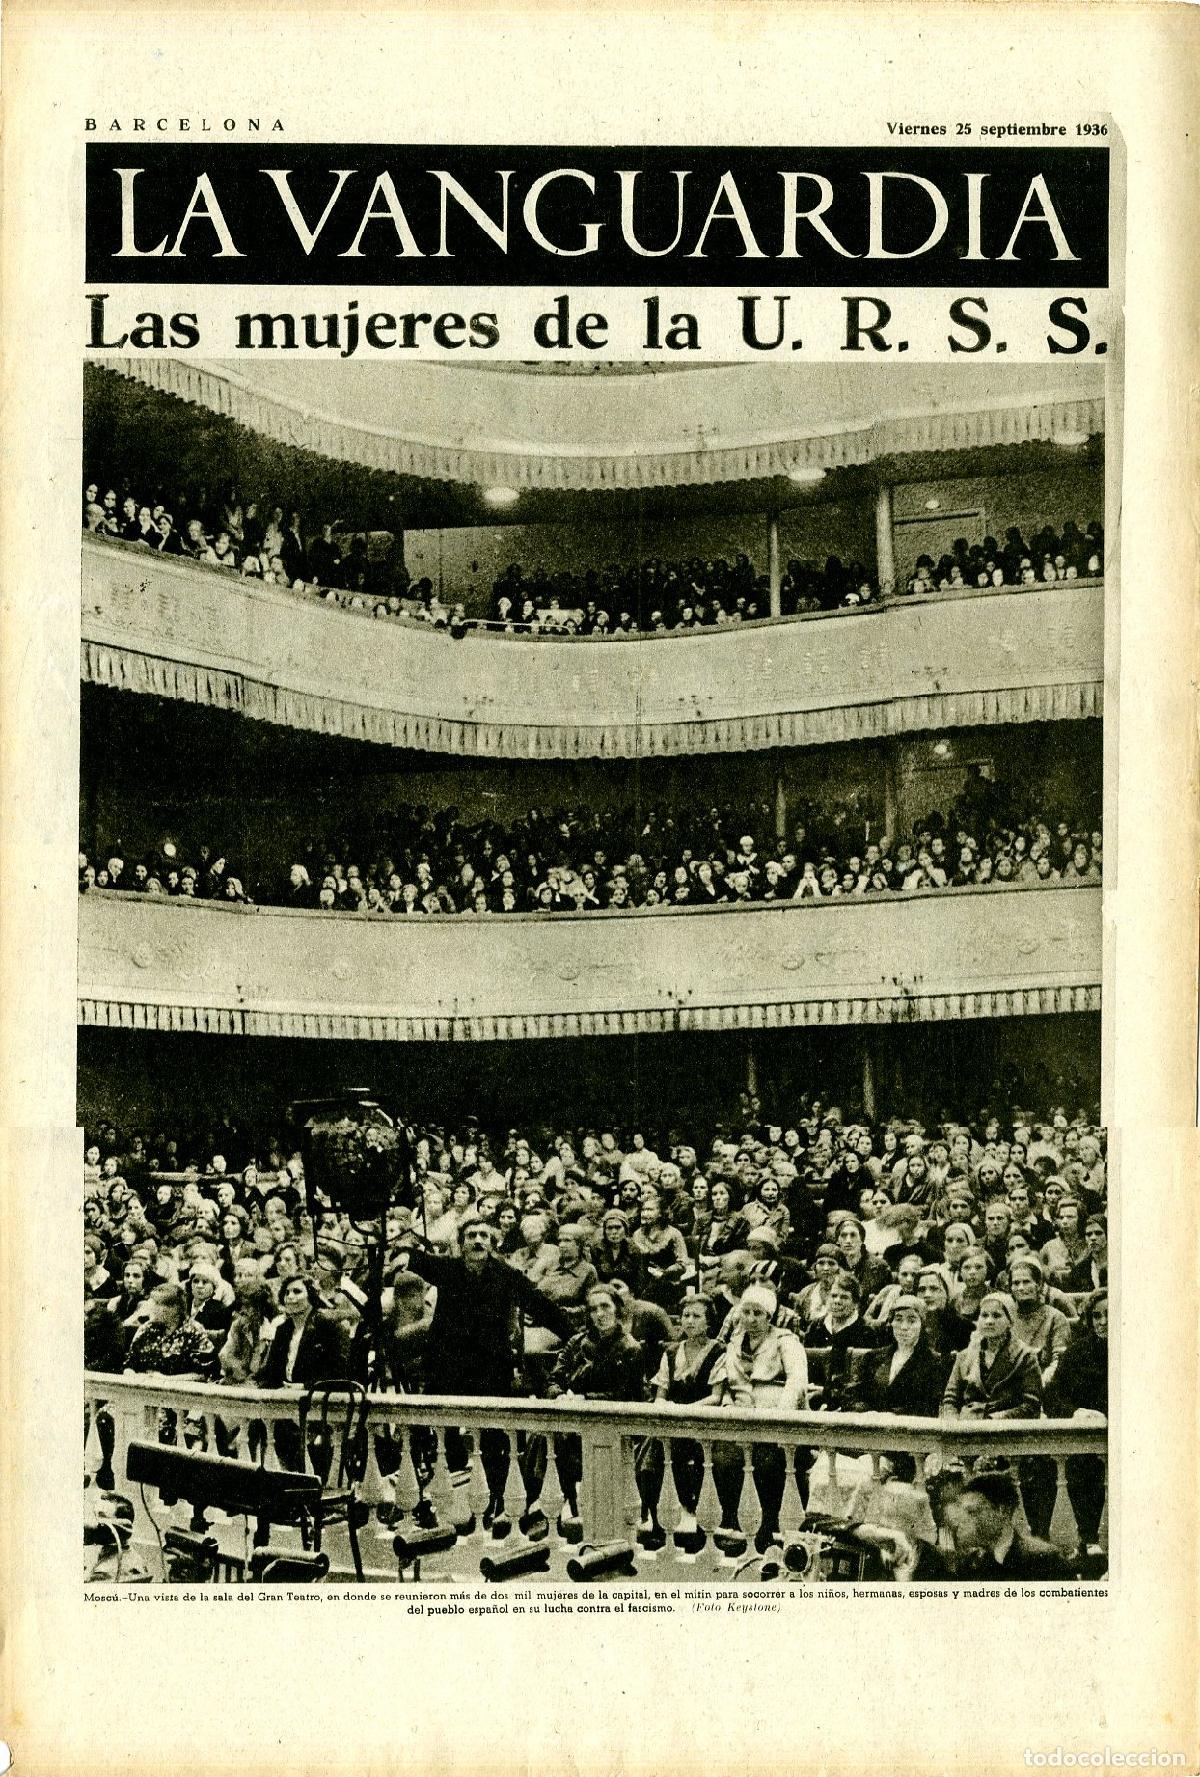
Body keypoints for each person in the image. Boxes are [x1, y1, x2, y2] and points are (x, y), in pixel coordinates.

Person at [403, 1217, 574, 1530]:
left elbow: (539, 1304)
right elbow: (410, 1258)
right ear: (462, 1242)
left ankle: (493, 1506)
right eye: (471, 1235)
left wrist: (573, 1335)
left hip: (489, 1372)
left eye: (484, 1235)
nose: (478, 1240)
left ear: (494, 1243)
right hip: (448, 1372)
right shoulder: (448, 1269)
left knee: (493, 1443)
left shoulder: (505, 1275)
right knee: (440, 1437)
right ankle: (444, 1508)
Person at [709, 1283, 810, 1555]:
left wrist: (779, 1420)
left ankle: (765, 1531)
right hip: (741, 1421)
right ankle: (734, 1526)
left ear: (769, 1316)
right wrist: (730, 1406)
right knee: (721, 1458)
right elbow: (730, 1385)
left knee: (766, 1464)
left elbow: (796, 1383)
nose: (751, 1319)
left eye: (758, 1313)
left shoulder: (785, 1341)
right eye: (746, 1312)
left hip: (777, 1423)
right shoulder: (734, 1344)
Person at [543, 1283, 647, 1532]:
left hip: (612, 1424)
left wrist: (584, 1399)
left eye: (605, 1307)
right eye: (593, 1309)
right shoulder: (577, 1342)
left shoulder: (630, 1348)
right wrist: (559, 1396)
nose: (599, 1314)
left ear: (617, 1309)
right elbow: (554, 1379)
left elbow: (625, 1395)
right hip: (573, 1419)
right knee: (542, 1440)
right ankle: (546, 1516)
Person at [637, 1294, 724, 1552]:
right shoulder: (672, 1352)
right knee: (651, 1461)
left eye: (697, 1316)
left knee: (702, 1468)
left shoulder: (718, 1351)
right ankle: (658, 1525)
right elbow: (661, 1393)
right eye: (686, 1315)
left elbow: (716, 1397)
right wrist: (665, 1409)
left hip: (702, 1425)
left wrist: (685, 1411)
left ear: (709, 1322)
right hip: (672, 1424)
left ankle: (702, 1531)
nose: (690, 1321)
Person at [1047, 1290, 1109, 1553]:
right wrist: (1075, 1412)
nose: (1103, 1322)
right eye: (1096, 1316)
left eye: (1109, 1315)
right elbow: (1051, 1398)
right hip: (1085, 1445)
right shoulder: (1078, 1351)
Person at [940, 1469, 1076, 1580]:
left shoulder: (1047, 1560)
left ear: (1002, 1510)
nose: (965, 1520)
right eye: (965, 1512)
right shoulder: (968, 1564)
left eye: (973, 1512)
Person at [940, 1292, 1043, 1420]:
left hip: (1005, 1431)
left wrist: (992, 1419)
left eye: (996, 1316)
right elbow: (950, 1398)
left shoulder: (1025, 1357)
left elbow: (1031, 1406)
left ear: (1010, 1322)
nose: (989, 1321)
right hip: (967, 1427)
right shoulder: (964, 1356)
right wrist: (952, 1420)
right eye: (984, 1315)